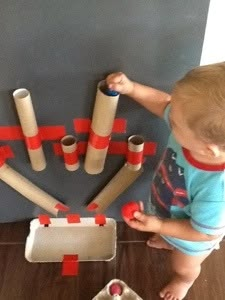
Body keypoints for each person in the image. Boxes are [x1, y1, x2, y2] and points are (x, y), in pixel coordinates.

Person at [106, 62, 225, 300]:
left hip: (194, 237)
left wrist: (159, 226)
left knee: (182, 265)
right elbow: (162, 103)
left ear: (209, 150)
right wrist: (131, 88)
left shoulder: (217, 190)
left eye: (175, 124)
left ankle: (183, 282)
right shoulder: (193, 132)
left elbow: (203, 233)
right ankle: (169, 238)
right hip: (170, 209)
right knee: (167, 231)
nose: (169, 117)